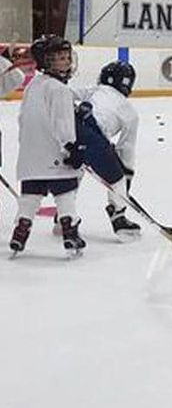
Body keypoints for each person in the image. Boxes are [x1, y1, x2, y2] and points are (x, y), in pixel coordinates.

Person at [10, 36, 86, 256]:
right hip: (54, 155)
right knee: (66, 192)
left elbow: (22, 119)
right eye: (59, 58)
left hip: (30, 156)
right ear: (46, 62)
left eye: (66, 57)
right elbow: (62, 123)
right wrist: (71, 147)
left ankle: (20, 231)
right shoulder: (59, 89)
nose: (66, 61)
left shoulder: (33, 85)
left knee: (30, 196)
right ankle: (70, 232)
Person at [77, 61, 142, 239]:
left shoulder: (95, 90)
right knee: (118, 180)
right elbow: (126, 149)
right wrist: (125, 173)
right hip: (93, 139)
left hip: (70, 129)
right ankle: (118, 218)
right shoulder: (130, 112)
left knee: (76, 168)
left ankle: (63, 219)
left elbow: (66, 94)